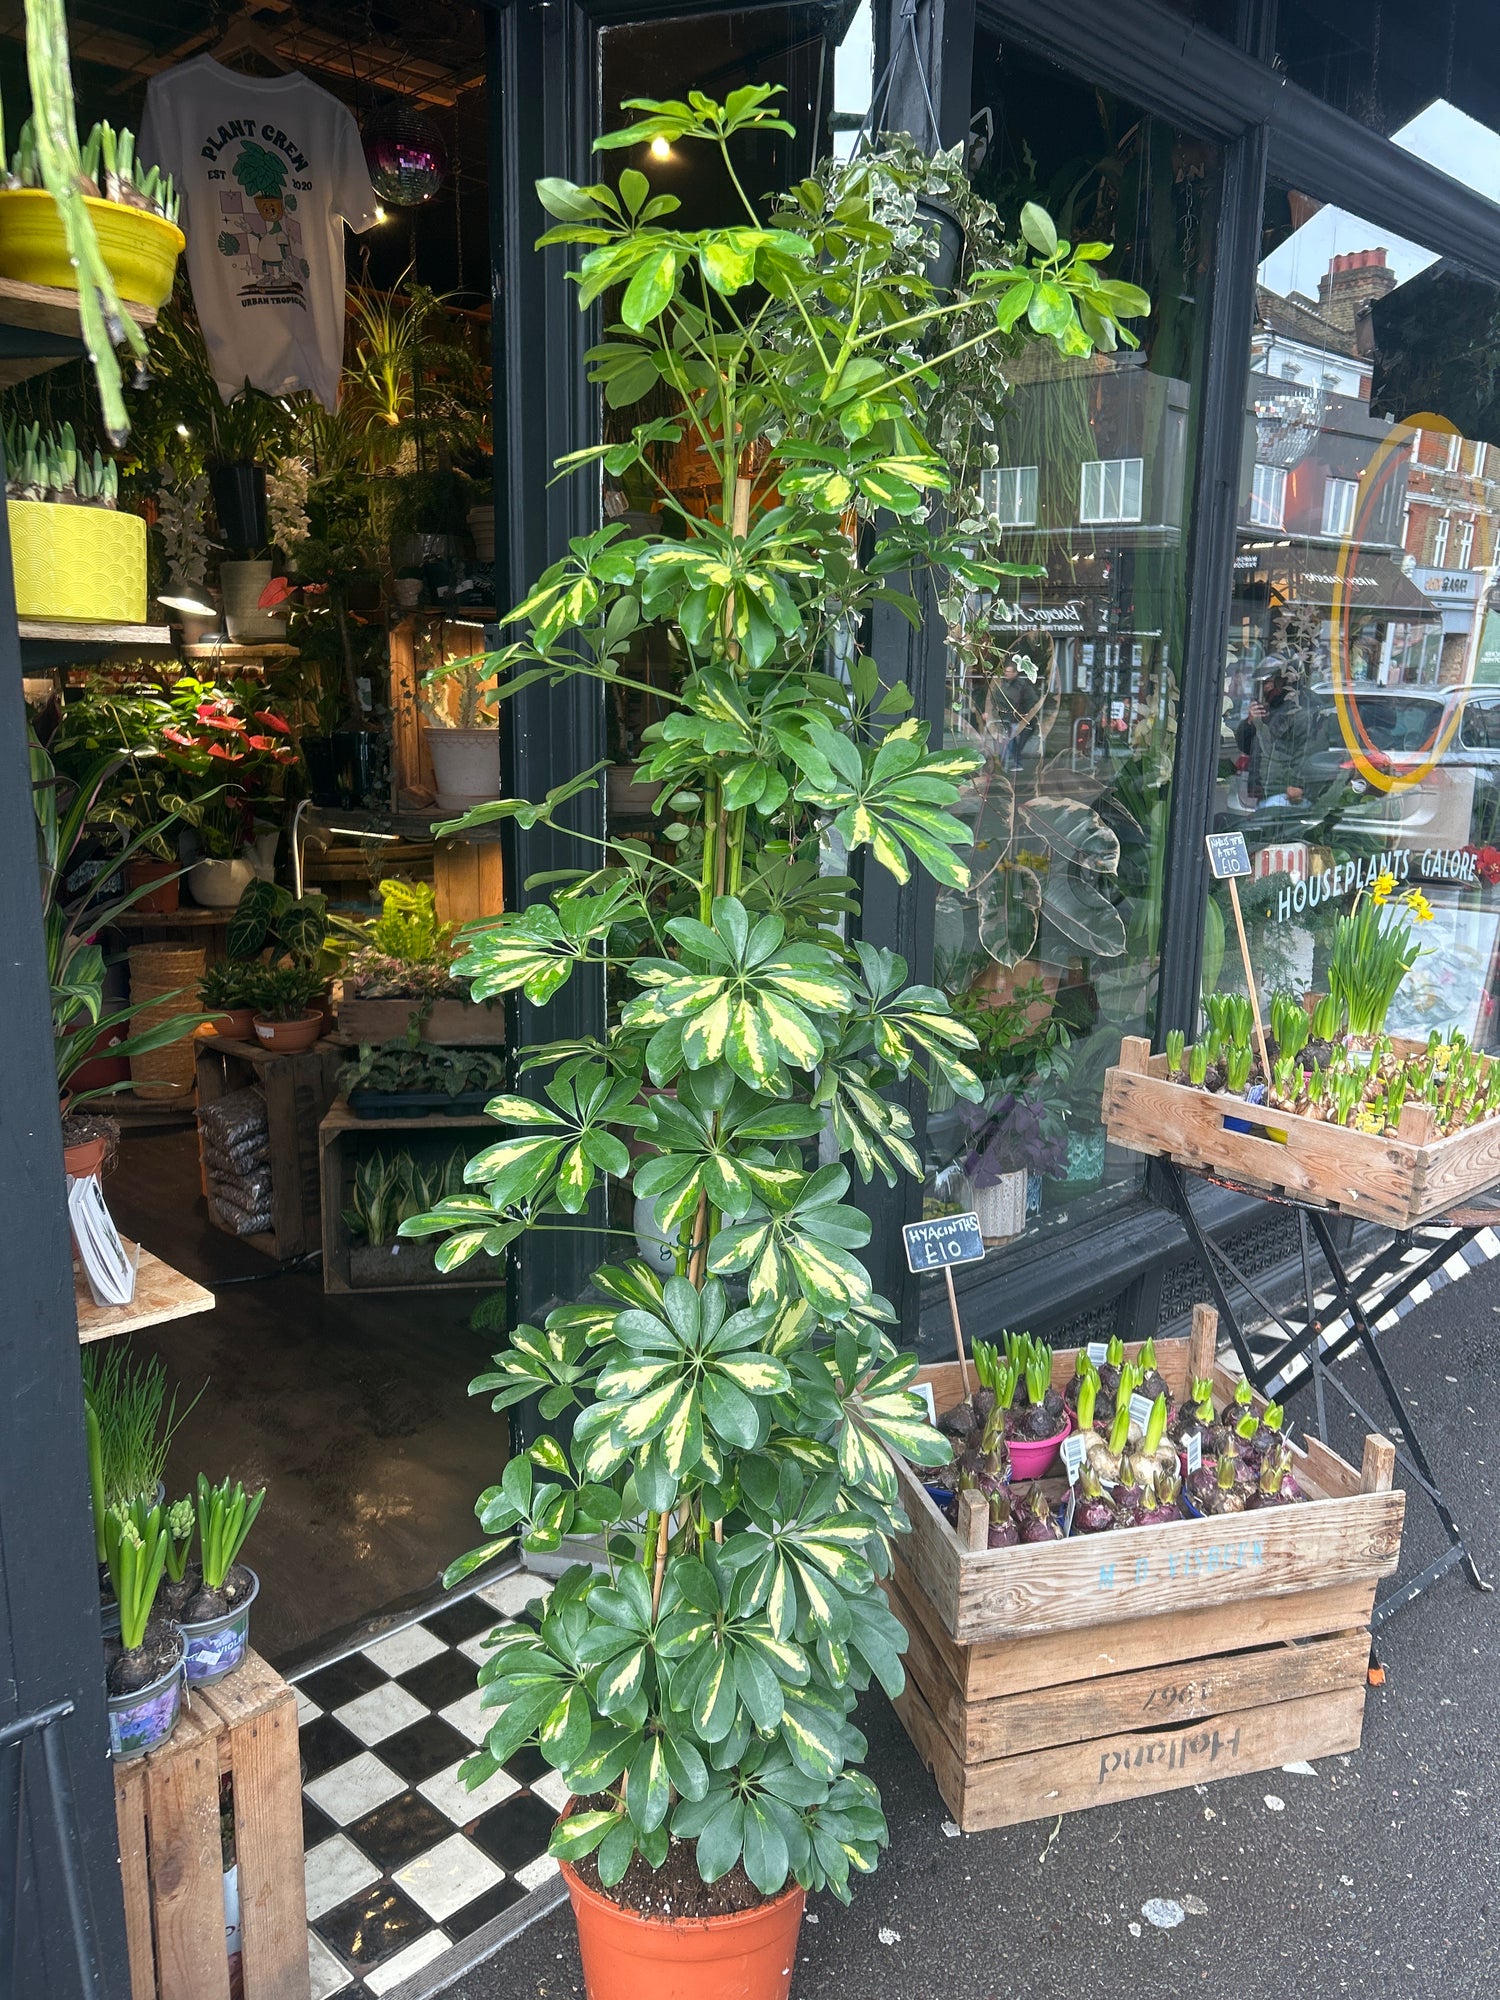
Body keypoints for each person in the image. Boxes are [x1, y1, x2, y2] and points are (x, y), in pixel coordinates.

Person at [1236, 659, 1309, 806]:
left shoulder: (1297, 710)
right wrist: (1250, 723)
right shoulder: (1268, 709)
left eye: (1269, 682)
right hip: (1266, 789)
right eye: (1263, 684)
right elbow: (1246, 747)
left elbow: (1307, 748)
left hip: (1284, 791)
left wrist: (1297, 784)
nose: (1266, 687)